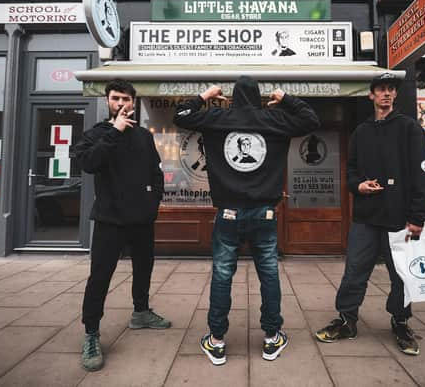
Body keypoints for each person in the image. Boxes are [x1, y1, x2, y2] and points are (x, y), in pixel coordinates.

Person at [173, 75, 320, 365]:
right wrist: (286, 98)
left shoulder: (217, 117)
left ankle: (216, 341)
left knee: (222, 274)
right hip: (265, 212)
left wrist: (205, 95)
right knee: (268, 272)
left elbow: (180, 115)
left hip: (228, 212)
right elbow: (312, 120)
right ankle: (271, 337)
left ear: (233, 96)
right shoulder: (275, 119)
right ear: (259, 97)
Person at [315, 72, 425, 356]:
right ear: (371, 95)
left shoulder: (410, 129)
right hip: (366, 218)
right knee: (354, 271)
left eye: (391, 90)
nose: (386, 94)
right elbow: (351, 170)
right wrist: (359, 185)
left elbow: (423, 176)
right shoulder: (361, 131)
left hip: (400, 219)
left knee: (401, 276)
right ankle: (347, 320)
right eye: (381, 89)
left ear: (395, 95)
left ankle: (401, 322)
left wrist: (418, 218)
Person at [75, 79, 171, 372]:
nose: (121, 104)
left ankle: (141, 313)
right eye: (115, 98)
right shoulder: (96, 135)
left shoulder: (144, 135)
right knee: (100, 277)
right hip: (109, 220)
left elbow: (156, 172)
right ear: (108, 101)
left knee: (144, 269)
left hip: (141, 219)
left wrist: (152, 203)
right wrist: (115, 132)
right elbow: (89, 163)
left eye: (126, 99)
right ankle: (91, 332)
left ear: (134, 102)